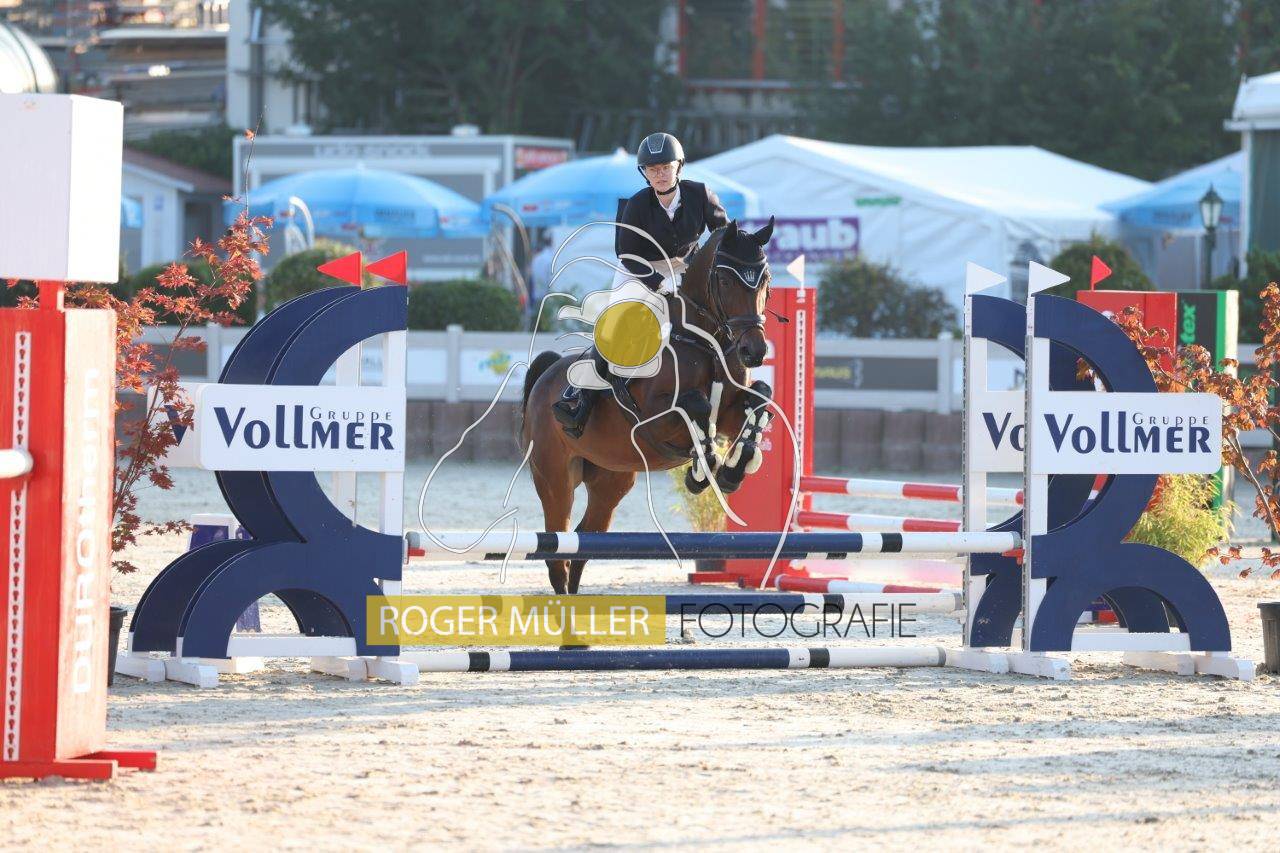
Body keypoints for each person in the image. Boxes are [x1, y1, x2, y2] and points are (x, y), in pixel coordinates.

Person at [553, 132, 728, 436]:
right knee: (615, 328)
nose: (660, 175)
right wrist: (658, 282)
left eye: (665, 167)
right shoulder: (637, 204)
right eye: (652, 169)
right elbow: (628, 255)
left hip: (684, 268)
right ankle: (580, 397)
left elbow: (722, 235)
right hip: (640, 269)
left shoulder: (700, 194)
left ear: (679, 166)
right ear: (644, 173)